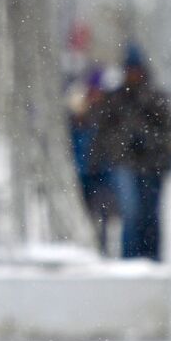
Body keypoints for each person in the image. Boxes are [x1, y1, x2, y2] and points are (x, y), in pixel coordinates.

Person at [92, 46, 171, 260]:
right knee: (130, 213)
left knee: (150, 214)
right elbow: (103, 131)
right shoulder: (116, 98)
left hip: (151, 165)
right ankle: (130, 258)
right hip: (125, 163)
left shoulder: (154, 97)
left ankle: (151, 257)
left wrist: (150, 143)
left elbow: (168, 133)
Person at [70, 68, 116, 254]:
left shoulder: (107, 112)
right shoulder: (81, 113)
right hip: (85, 170)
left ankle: (102, 246)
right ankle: (92, 246)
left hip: (102, 170)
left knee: (103, 211)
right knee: (88, 211)